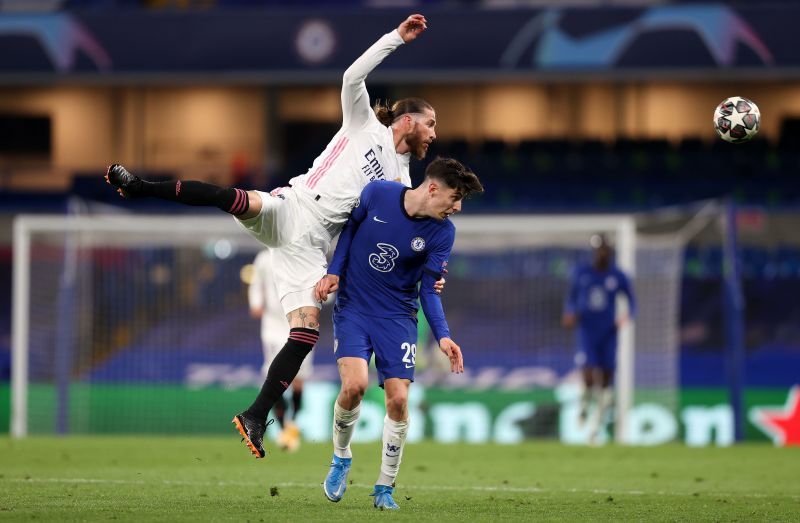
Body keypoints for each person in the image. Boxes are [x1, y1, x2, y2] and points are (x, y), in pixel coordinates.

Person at [104, 14, 442, 458]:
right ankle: (140, 186)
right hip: (293, 208)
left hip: (311, 249)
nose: (434, 134)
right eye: (430, 124)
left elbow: (382, 232)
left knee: (305, 332)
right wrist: (397, 38)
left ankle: (254, 416)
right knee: (235, 198)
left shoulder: (401, 179)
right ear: (408, 120)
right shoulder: (364, 123)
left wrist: (426, 267)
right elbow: (352, 74)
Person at [314, 157, 483, 510]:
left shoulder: (442, 233)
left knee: (399, 400)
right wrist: (334, 271)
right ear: (433, 188)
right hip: (355, 309)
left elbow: (429, 291)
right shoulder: (378, 194)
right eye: (455, 198)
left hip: (398, 317)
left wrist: (443, 336)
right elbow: (348, 232)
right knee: (355, 385)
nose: (458, 207)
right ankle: (341, 457)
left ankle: (384, 487)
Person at [562, 234, 636, 444]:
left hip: (608, 334)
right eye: (599, 249)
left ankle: (596, 427)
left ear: (610, 251)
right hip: (587, 331)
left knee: (605, 380)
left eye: (605, 249)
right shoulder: (581, 273)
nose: (602, 253)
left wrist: (626, 315)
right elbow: (571, 298)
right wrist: (569, 311)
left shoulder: (618, 276)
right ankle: (584, 406)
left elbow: (632, 303)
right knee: (587, 375)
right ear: (594, 251)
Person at [248, 249, 310, 452]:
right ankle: (284, 428)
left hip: (301, 322)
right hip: (273, 325)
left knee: (299, 378)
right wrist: (256, 303)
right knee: (273, 374)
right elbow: (257, 283)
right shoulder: (265, 258)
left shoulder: (302, 254)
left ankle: (294, 421)